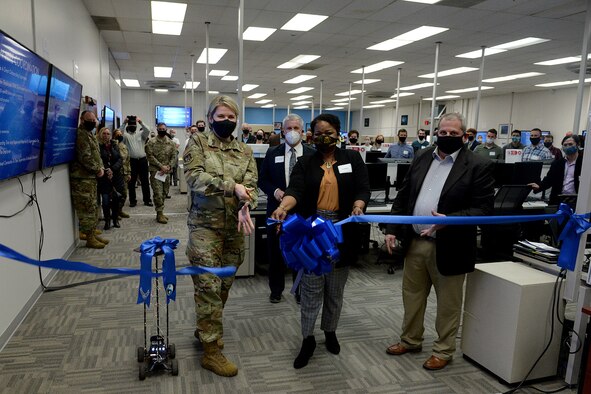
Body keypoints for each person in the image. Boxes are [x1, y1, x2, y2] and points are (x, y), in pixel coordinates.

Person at [384, 112, 494, 371]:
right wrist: (392, 229)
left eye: (453, 134)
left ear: (464, 136)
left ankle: (443, 351)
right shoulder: (422, 157)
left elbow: (484, 210)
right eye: (442, 133)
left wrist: (452, 220)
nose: (446, 137)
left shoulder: (477, 165)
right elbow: (404, 196)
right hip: (416, 242)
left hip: (451, 244)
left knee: (448, 303)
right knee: (412, 296)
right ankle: (410, 340)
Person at [271, 113, 370, 370]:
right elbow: (295, 191)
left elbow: (362, 188)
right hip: (313, 231)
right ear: (310, 136)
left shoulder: (353, 158)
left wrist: (359, 206)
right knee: (311, 290)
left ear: (339, 133)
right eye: (318, 133)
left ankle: (330, 331)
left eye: (329, 132)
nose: (323, 137)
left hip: (342, 230)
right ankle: (308, 338)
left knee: (335, 291)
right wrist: (284, 206)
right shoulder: (305, 162)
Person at [184, 95, 258, 377]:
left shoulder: (244, 151)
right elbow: (194, 177)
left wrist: (246, 204)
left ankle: (206, 329)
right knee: (208, 287)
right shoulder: (198, 143)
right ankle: (211, 351)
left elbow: (251, 186)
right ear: (211, 116)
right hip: (205, 227)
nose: (226, 121)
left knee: (223, 286)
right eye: (221, 116)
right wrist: (232, 188)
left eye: (231, 117)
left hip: (233, 229)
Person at [258, 114, 315, 304]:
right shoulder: (272, 153)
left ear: (303, 131)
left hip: (303, 211)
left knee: (301, 251)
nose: (292, 132)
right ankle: (276, 290)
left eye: (296, 129)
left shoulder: (312, 154)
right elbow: (262, 179)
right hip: (277, 210)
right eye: (288, 129)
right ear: (282, 131)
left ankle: (300, 289)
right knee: (275, 252)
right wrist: (275, 191)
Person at [69, 111, 109, 248]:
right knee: (86, 208)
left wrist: (101, 167)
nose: (93, 122)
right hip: (82, 178)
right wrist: (97, 169)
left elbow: (96, 155)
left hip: (90, 177)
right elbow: (85, 157)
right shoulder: (81, 135)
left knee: (92, 206)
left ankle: (91, 233)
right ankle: (89, 238)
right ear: (81, 119)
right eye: (89, 119)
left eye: (94, 120)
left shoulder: (89, 134)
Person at [529, 135, 583, 205]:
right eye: (565, 145)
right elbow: (549, 179)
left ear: (578, 145)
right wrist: (539, 186)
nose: (567, 147)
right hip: (558, 200)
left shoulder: (584, 163)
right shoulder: (557, 163)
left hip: (577, 200)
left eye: (570, 144)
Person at [145, 123, 177, 224]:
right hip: (156, 171)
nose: (162, 130)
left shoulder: (170, 143)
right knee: (158, 193)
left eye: (164, 129)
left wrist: (169, 166)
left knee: (164, 192)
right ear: (157, 129)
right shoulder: (151, 142)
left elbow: (174, 155)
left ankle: (161, 212)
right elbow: (150, 156)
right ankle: (159, 213)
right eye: (160, 129)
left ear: (166, 129)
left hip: (166, 171)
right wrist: (161, 166)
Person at [122, 116, 153, 207]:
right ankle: (132, 201)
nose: (132, 126)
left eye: (134, 124)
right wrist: (124, 123)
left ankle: (147, 200)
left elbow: (147, 130)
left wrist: (140, 121)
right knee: (132, 181)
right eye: (130, 124)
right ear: (128, 126)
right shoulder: (126, 136)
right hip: (132, 161)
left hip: (143, 160)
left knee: (145, 181)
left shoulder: (141, 134)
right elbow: (119, 132)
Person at [97, 127, 123, 230]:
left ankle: (115, 219)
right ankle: (107, 221)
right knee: (106, 201)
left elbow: (119, 159)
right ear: (100, 134)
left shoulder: (114, 145)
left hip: (115, 176)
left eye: (108, 134)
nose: (106, 135)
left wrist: (112, 169)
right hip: (104, 177)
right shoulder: (98, 146)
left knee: (116, 199)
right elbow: (98, 160)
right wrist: (107, 170)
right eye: (104, 133)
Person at [112, 128, 131, 219]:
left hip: (124, 173)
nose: (120, 136)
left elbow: (127, 160)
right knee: (116, 194)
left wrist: (128, 173)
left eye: (120, 134)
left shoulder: (124, 145)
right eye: (117, 135)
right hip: (116, 173)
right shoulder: (112, 146)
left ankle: (120, 210)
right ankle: (114, 213)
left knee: (124, 194)